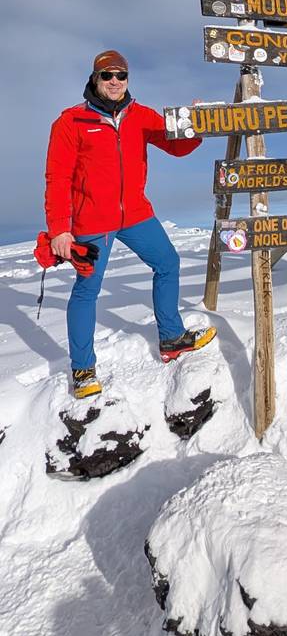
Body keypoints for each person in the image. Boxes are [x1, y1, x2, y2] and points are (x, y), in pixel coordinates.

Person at [44, 50, 216, 398]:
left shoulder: (140, 115)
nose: (114, 82)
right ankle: (82, 369)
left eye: (121, 75)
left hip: (136, 214)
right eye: (107, 75)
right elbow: (57, 177)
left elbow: (175, 146)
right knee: (86, 291)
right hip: (93, 221)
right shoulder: (71, 121)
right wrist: (60, 228)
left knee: (167, 263)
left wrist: (194, 125)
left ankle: (171, 338)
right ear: (95, 78)